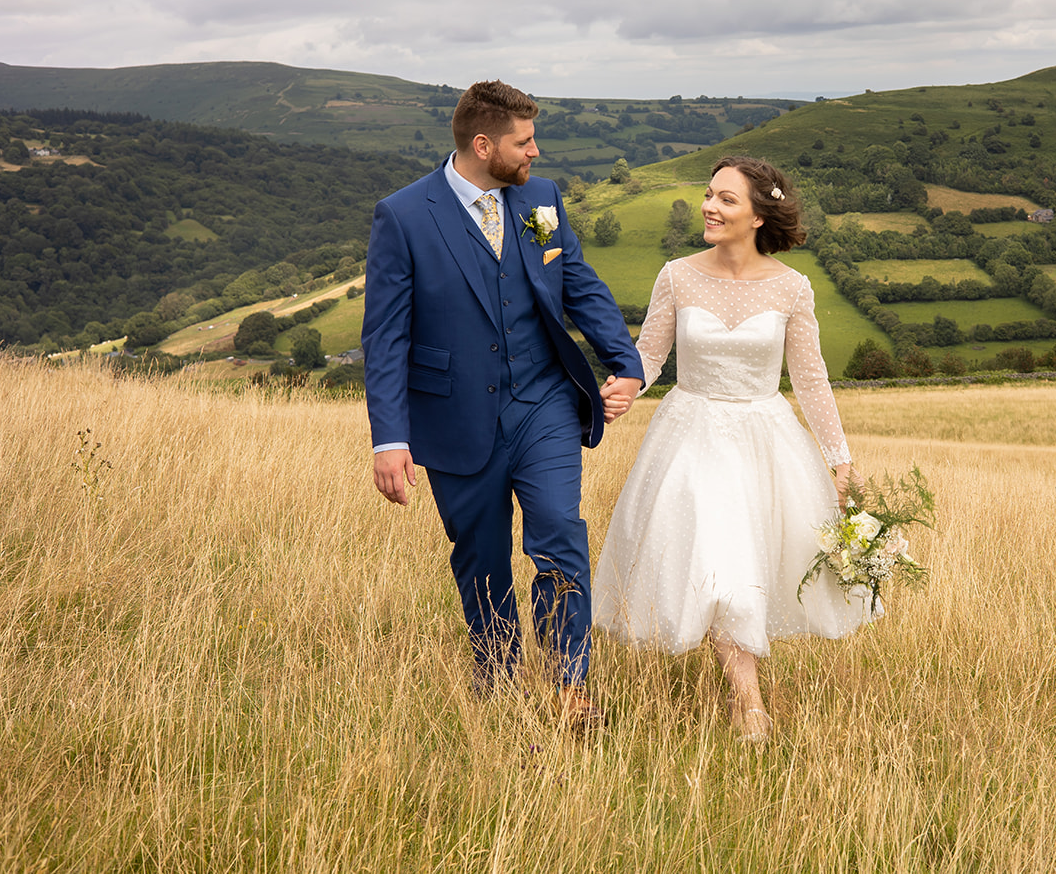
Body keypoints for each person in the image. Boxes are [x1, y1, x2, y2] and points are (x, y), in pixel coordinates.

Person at [362, 79, 644, 728]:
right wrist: (389, 437)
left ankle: (569, 684)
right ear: (483, 144)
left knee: (559, 534)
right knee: (481, 557)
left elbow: (576, 281)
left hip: (543, 401)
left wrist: (625, 362)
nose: (536, 151)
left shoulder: (540, 199)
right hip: (454, 416)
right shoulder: (403, 216)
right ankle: (499, 680)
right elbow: (385, 336)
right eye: (524, 141)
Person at [593, 155, 876, 741]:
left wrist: (841, 463)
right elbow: (648, 356)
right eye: (709, 194)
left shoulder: (794, 288)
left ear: (756, 215)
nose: (709, 207)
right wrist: (618, 390)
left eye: (726, 199)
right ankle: (749, 703)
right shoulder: (676, 275)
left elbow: (812, 378)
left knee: (741, 562)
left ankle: (743, 692)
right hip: (689, 435)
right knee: (717, 564)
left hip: (763, 440)